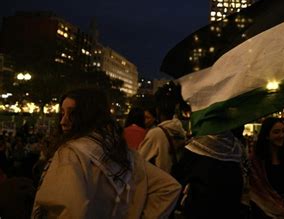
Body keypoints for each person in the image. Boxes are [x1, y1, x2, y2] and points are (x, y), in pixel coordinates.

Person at [32, 87, 181, 218]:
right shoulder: (123, 155)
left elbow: (68, 211)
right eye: (62, 113)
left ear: (88, 115)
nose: (63, 121)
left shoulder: (70, 154)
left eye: (72, 114)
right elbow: (169, 188)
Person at [173, 131, 244, 219]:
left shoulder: (196, 147)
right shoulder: (236, 147)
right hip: (229, 206)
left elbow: (178, 178)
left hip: (201, 206)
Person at [249, 117, 284, 218]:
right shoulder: (255, 160)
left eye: (283, 131)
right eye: (276, 132)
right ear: (267, 135)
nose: (281, 135)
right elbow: (256, 191)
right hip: (262, 212)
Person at [139, 81, 187, 174]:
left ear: (157, 110)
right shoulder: (180, 130)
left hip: (161, 183)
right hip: (175, 182)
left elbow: (138, 163)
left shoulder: (156, 133)